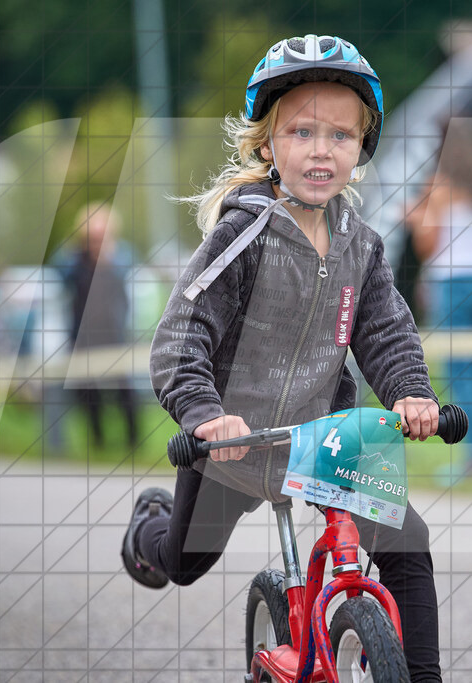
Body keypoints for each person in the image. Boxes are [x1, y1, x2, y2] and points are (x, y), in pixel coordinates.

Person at [122, 35, 444, 682]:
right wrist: (204, 416)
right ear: (268, 144)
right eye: (302, 132)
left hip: (324, 442)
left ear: (362, 146)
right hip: (236, 444)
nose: (322, 150)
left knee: (407, 541)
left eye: (340, 135)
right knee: (183, 561)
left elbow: (386, 333)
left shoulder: (362, 246)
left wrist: (411, 391)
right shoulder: (243, 235)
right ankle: (147, 527)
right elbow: (181, 337)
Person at [410, 118, 472, 474]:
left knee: (463, 376)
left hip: (453, 284)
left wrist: (416, 218)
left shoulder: (438, 187)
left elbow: (427, 244)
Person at [56, 202, 139, 448]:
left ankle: (132, 440)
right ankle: (98, 440)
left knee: (124, 388)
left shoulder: (121, 254)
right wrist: (82, 254)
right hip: (83, 335)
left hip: (115, 332)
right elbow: (60, 273)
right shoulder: (73, 258)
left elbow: (130, 278)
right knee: (88, 391)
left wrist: (107, 259)